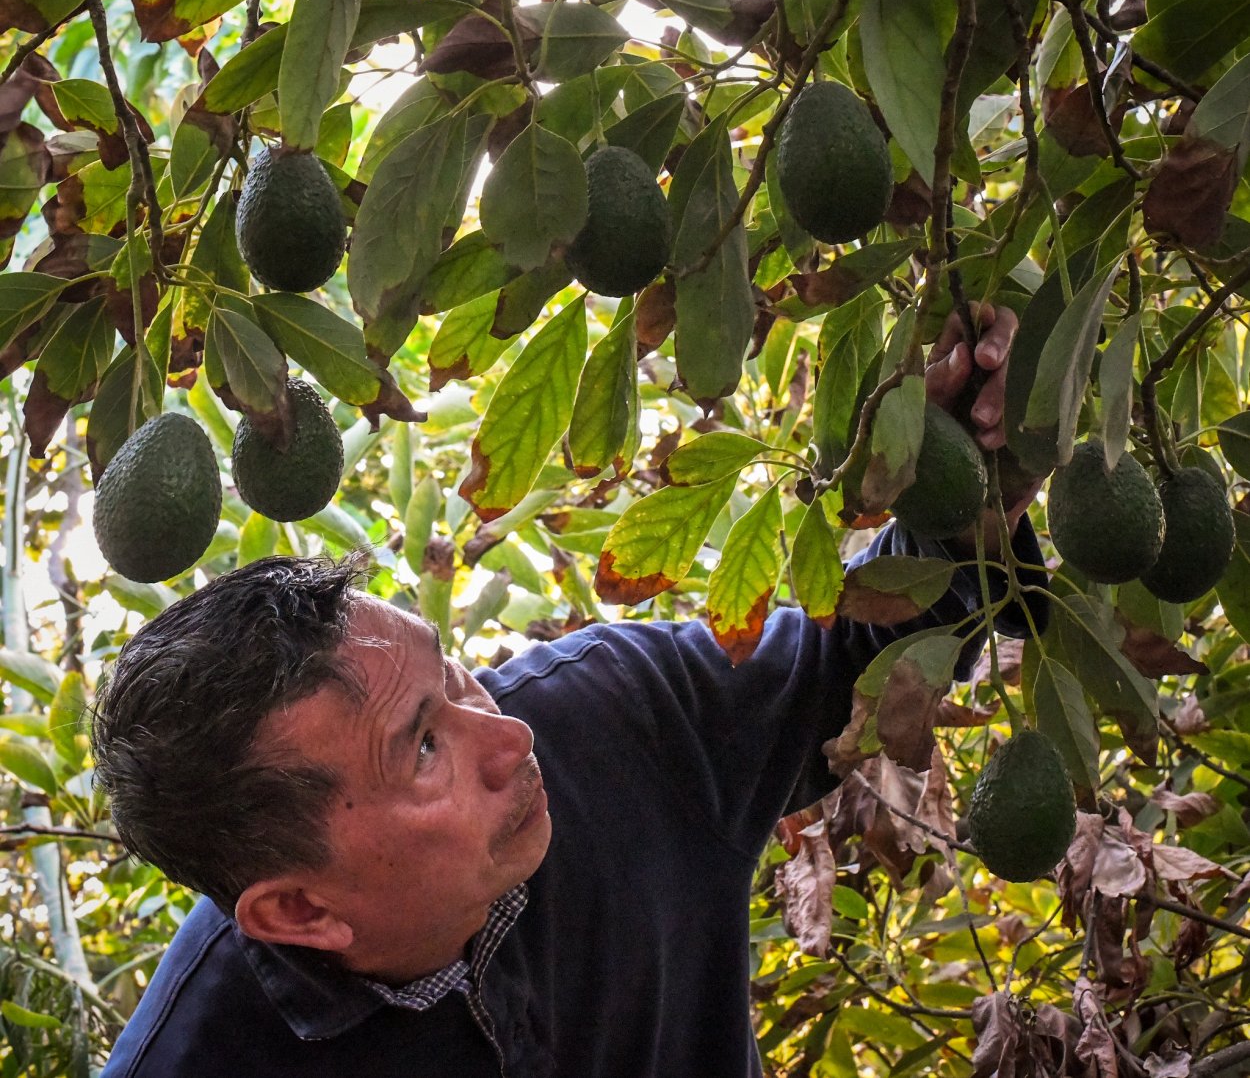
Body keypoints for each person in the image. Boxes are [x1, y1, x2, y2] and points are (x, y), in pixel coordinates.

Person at [92, 306, 1045, 1078]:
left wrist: (976, 481)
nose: (509, 737)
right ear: (300, 913)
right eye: (423, 747)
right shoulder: (197, 1058)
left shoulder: (615, 716)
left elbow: (859, 664)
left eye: (452, 674)